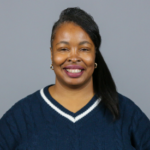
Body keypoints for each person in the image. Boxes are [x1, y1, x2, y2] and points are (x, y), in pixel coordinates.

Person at [0, 7, 150, 150]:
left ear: (95, 55)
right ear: (52, 54)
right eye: (63, 49)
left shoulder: (126, 112)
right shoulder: (20, 117)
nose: (73, 57)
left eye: (84, 49)